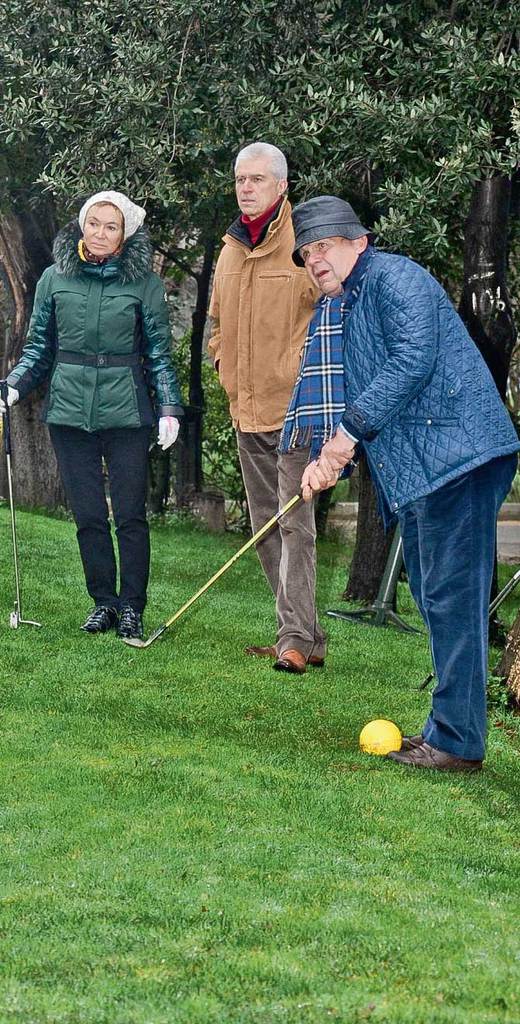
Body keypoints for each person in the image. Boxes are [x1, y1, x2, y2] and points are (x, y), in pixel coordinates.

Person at [287, 194, 519, 771]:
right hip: (429, 469)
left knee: (452, 600)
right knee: (438, 597)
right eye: (307, 253)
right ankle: (449, 731)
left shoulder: (395, 278)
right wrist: (327, 456)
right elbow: (360, 391)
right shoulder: (349, 303)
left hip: (459, 460)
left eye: (324, 246)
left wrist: (346, 438)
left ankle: (457, 743)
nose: (315, 260)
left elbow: (412, 361)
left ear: (359, 242)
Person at [0, 190, 183, 639]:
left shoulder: (144, 284)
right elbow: (38, 348)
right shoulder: (54, 278)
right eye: (94, 222)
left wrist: (169, 408)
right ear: (82, 224)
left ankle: (132, 606)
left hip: (127, 414)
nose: (100, 232)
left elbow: (158, 353)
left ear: (125, 234)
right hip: (68, 412)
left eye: (111, 226)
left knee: (130, 515)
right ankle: (104, 603)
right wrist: (14, 384)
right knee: (88, 515)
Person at [208, 142, 324, 675]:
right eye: (240, 180)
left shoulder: (305, 243)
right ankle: (305, 633)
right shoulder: (230, 249)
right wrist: (222, 366)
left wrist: (304, 374)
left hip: (295, 410)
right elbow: (217, 322)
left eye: (257, 179)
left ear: (282, 186)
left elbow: (332, 313)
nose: (246, 188)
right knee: (264, 526)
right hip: (246, 408)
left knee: (294, 523)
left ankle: (294, 638)